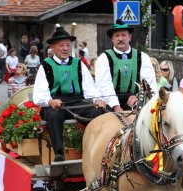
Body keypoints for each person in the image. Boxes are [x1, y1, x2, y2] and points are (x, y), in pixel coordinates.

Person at [33, 26, 105, 162]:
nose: (65, 48)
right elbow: (39, 94)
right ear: (53, 47)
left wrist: (97, 100)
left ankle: (95, 149)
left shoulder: (78, 64)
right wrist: (50, 101)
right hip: (56, 104)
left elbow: (90, 88)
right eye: (61, 45)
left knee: (97, 113)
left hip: (77, 102)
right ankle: (59, 153)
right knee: (53, 116)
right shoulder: (46, 66)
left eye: (67, 45)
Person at [95, 19, 157, 111]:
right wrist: (115, 106)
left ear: (130, 37)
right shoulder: (104, 58)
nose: (120, 38)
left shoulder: (142, 57)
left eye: (124, 35)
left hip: (134, 100)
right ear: (112, 39)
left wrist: (138, 96)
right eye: (117, 36)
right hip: (109, 101)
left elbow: (149, 84)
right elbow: (104, 85)